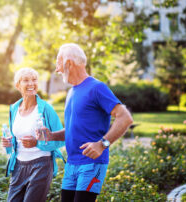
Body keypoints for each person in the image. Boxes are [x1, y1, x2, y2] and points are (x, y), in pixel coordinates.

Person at [36, 43, 133, 202]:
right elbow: (74, 129)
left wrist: (102, 144)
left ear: (69, 63)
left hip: (91, 164)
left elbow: (125, 117)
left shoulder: (97, 88)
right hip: (71, 164)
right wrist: (52, 135)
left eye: (59, 63)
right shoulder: (72, 92)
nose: (57, 69)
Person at [1, 67, 65, 202]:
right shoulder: (14, 109)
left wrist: (37, 142)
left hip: (41, 165)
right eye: (26, 80)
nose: (31, 84)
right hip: (19, 165)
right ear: (18, 85)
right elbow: (14, 138)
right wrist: (8, 143)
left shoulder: (46, 109)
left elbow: (61, 138)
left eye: (34, 80)